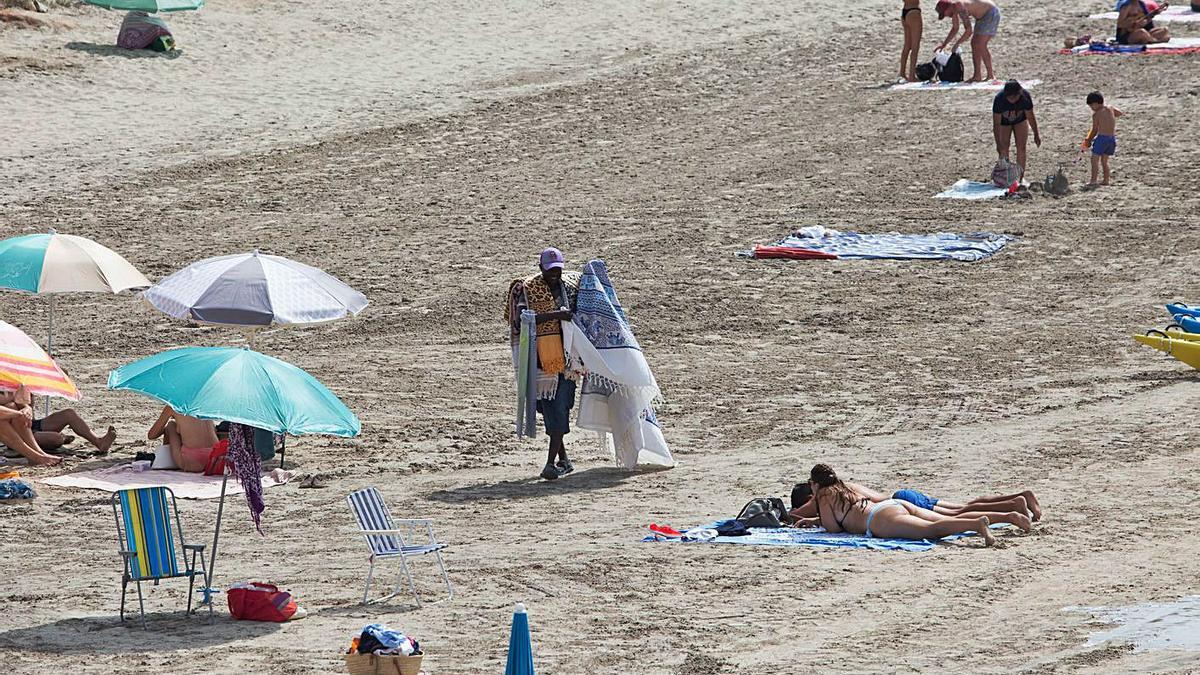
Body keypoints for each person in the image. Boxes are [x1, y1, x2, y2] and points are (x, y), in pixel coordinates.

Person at [791, 464, 1033, 545]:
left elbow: (834, 528)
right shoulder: (845, 487)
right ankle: (1009, 516)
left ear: (815, 483)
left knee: (933, 530)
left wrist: (818, 521)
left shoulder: (823, 495)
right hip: (893, 504)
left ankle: (980, 525)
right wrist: (813, 520)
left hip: (879, 520)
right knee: (947, 520)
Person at [506, 247, 582, 481]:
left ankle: (551, 464)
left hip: (566, 361)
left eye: (557, 270)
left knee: (558, 410)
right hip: (541, 361)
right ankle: (563, 460)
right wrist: (555, 316)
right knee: (551, 411)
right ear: (541, 268)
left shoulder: (570, 287)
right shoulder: (527, 291)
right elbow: (521, 321)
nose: (554, 274)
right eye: (549, 270)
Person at [791, 480, 1042, 521]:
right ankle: (1015, 500)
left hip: (898, 502)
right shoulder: (844, 486)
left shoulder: (825, 496)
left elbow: (798, 513)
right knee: (964, 505)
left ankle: (1013, 506)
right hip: (902, 495)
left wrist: (795, 515)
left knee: (959, 513)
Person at [934, 0, 1001, 82]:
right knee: (974, 44)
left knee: (981, 44)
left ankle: (991, 75)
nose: (946, 16)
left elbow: (969, 31)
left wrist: (957, 44)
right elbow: (955, 29)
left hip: (990, 13)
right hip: (981, 17)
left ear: (948, 8)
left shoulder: (959, 6)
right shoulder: (954, 10)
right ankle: (977, 75)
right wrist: (944, 44)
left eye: (945, 13)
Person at [147, 405, 219, 473]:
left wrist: (165, 429)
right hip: (215, 459)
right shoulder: (204, 406)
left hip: (192, 460)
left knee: (171, 425)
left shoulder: (174, 406)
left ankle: (166, 461)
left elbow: (151, 435)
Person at [992, 80, 1040, 180]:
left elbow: (1030, 117)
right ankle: (1005, 177)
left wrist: (1036, 134)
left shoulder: (1025, 97)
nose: (1012, 100)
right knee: (1003, 148)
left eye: (1015, 97)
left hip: (1020, 121)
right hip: (1004, 123)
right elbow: (996, 124)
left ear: (1019, 93)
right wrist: (998, 143)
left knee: (1021, 147)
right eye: (1010, 97)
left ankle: (1020, 178)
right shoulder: (999, 99)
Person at [0, 386, 60, 466]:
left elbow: (19, 402)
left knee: (12, 407)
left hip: (19, 425)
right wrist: (18, 414)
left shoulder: (12, 380)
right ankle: (35, 456)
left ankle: (38, 453)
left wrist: (27, 408)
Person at [1085, 91, 1123, 186]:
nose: (1091, 109)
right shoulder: (1110, 108)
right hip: (1111, 139)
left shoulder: (1096, 115)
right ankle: (1106, 180)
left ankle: (1093, 180)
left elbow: (1094, 130)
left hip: (1101, 139)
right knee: (1104, 161)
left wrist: (1088, 140)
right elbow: (1120, 113)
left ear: (1095, 104)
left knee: (1094, 160)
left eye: (1091, 106)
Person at [900, 0, 923, 81]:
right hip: (914, 12)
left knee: (907, 46)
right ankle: (911, 76)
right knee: (915, 47)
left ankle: (902, 73)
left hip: (905, 11)